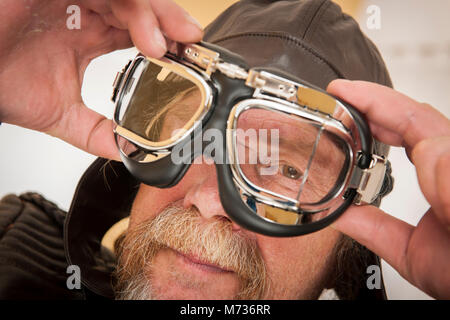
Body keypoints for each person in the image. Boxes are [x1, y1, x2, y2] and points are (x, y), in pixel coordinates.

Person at [0, 0, 448, 300]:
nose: (210, 202)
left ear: (350, 243)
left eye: (289, 170)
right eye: (196, 138)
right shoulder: (12, 244)